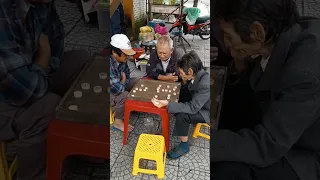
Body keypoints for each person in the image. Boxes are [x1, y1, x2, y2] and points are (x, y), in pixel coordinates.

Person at [211, 0, 320, 180]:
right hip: (281, 132)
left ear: (257, 32)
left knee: (226, 169)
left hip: (303, 152)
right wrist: (239, 62)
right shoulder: (276, 38)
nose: (225, 42)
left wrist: (208, 144)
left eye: (228, 36)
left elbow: (268, 145)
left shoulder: (304, 73)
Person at [0, 0, 89, 180]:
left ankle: (69, 149)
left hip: (31, 74)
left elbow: (56, 40)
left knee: (81, 63)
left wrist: (43, 65)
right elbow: (25, 90)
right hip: (6, 95)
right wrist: (44, 57)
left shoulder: (42, 2)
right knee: (47, 108)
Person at [151, 50, 210, 159]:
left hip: (206, 110)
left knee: (182, 115)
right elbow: (187, 84)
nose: (181, 75)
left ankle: (184, 145)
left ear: (191, 71)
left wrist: (168, 104)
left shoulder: (205, 83)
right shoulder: (198, 73)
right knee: (180, 93)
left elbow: (193, 107)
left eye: (182, 73)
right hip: (198, 101)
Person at [110, 34, 138, 132]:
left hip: (119, 85)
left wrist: (124, 81)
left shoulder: (122, 60)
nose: (127, 57)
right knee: (125, 94)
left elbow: (127, 75)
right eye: (125, 54)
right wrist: (123, 81)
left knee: (136, 82)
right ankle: (118, 122)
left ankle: (131, 106)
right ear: (114, 52)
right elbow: (116, 89)